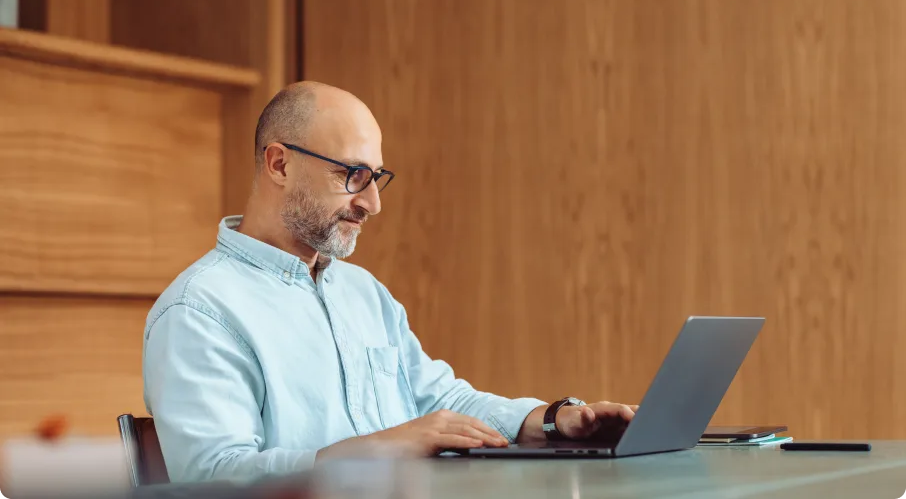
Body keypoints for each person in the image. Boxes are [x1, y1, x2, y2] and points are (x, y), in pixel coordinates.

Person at [143, 82, 637, 483]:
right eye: (354, 176)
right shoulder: (198, 310)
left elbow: (443, 402)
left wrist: (553, 422)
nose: (373, 203)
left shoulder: (363, 292)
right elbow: (209, 480)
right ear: (280, 164)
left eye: (377, 177)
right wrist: (376, 449)